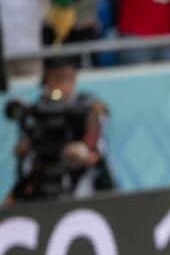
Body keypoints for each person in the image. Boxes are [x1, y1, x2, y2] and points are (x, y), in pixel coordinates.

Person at [6, 57, 114, 204]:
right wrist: (24, 148)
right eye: (57, 79)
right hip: (41, 173)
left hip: (77, 174)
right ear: (46, 80)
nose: (62, 85)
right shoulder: (38, 109)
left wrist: (82, 150)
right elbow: (26, 142)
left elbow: (95, 146)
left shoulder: (85, 107)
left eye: (67, 79)